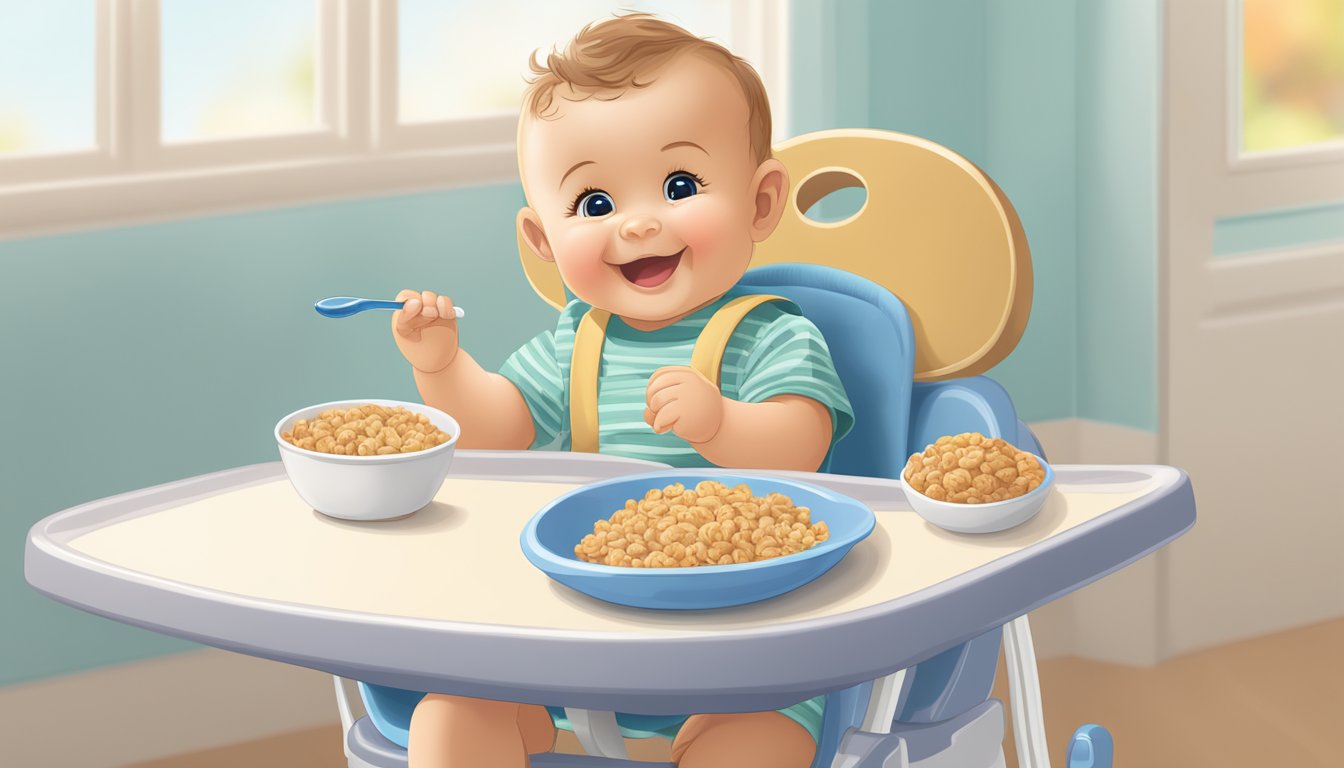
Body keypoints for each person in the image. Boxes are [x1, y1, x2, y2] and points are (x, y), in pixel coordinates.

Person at [391, 14, 853, 767]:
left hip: (739, 665)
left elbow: (802, 445)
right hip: (568, 648)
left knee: (756, 749)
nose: (638, 223)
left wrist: (721, 423)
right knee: (451, 717)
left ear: (761, 203)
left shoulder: (771, 334)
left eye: (680, 186)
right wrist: (442, 369)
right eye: (594, 204)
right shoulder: (576, 343)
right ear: (543, 242)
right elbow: (495, 432)